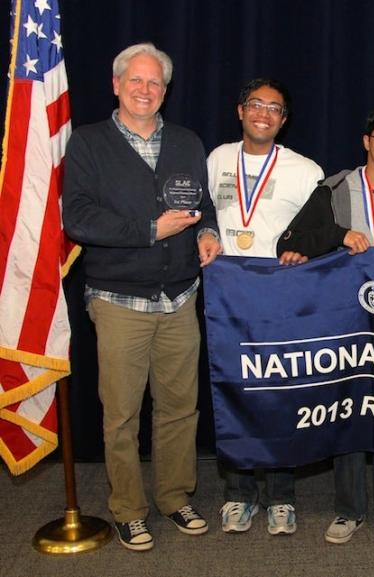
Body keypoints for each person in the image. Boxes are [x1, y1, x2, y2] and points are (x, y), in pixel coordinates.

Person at [62, 43, 220, 551]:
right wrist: (149, 230)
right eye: (136, 81)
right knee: (122, 413)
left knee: (180, 409)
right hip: (118, 300)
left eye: (155, 83)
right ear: (116, 85)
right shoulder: (88, 144)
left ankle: (175, 497)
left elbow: (203, 204)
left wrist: (207, 233)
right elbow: (79, 218)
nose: (145, 90)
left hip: (179, 298)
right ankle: (129, 509)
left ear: (165, 91)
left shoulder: (187, 141)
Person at [277, 106, 374, 545]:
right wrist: (337, 235)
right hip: (345, 322)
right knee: (349, 410)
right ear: (367, 141)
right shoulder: (335, 187)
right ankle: (348, 508)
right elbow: (290, 241)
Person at [207, 77, 323, 534]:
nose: (264, 113)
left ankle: (281, 497)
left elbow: (321, 233)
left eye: (274, 108)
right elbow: (204, 217)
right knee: (232, 392)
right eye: (255, 104)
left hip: (281, 298)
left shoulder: (306, 170)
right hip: (228, 297)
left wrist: (304, 251)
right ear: (240, 111)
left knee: (279, 394)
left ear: (284, 120)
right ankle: (238, 494)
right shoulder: (216, 158)